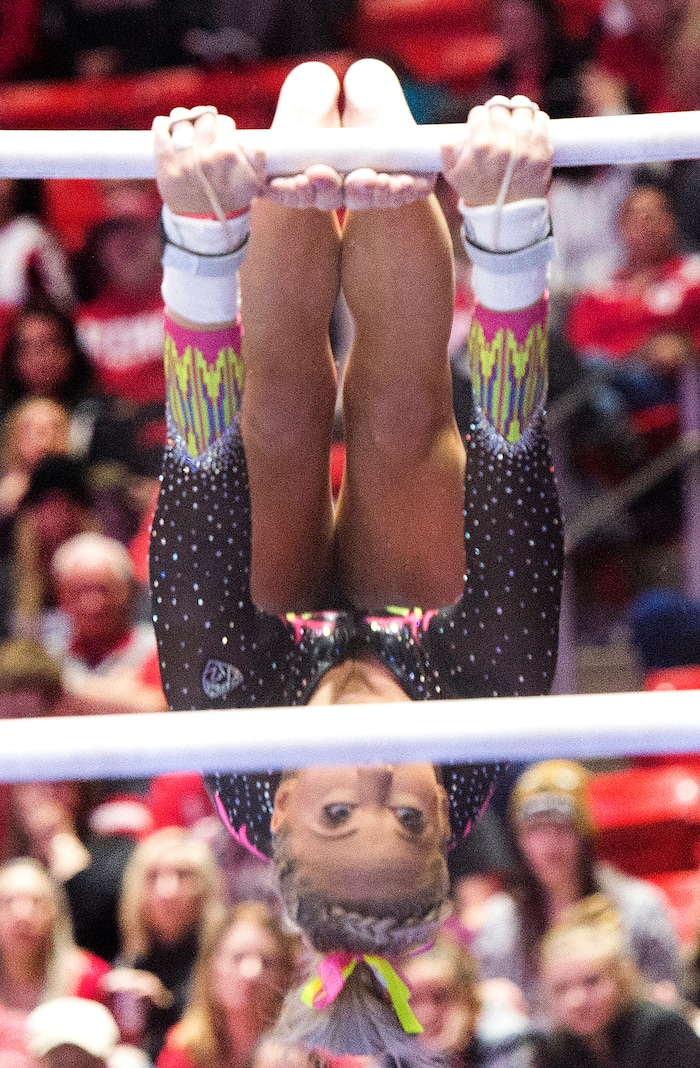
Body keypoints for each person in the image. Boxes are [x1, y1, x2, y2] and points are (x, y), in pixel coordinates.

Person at [150, 59, 562, 1059]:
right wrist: (506, 226)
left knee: (277, 419)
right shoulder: (481, 701)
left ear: (284, 801)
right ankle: (375, 168)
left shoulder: (227, 711)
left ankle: (297, 171)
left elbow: (198, 455)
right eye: (408, 814)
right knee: (401, 417)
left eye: (341, 810)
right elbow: (511, 443)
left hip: (271, 659)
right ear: (444, 810)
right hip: (416, 632)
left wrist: (200, 234)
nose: (378, 775)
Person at [471, 760, 680, 1023]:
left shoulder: (640, 906)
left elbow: (666, 999)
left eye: (561, 828)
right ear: (518, 840)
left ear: (585, 833)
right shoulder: (501, 920)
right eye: (535, 830)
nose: (549, 846)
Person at [535, 895, 700, 1068]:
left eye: (591, 981)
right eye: (561, 988)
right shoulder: (555, 1049)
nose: (577, 1000)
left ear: (621, 980)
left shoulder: (664, 1032)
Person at [108, 827, 225, 1060]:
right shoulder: (130, 961)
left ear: (206, 887)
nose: (168, 890)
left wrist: (163, 1001)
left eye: (183, 875)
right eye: (153, 877)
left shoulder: (223, 959)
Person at [156, 902, 300, 1068]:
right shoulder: (183, 1049)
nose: (252, 972)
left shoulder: (306, 1050)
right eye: (238, 957)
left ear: (286, 975)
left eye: (267, 962)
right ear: (211, 969)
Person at [47, 532, 165, 713]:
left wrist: (73, 696)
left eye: (102, 590)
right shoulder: (49, 656)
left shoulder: (155, 649)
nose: (91, 603)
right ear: (61, 597)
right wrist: (121, 695)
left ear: (126, 592)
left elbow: (159, 705)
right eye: (78, 591)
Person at [402, 935, 534, 1068]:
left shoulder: (508, 1042)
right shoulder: (395, 1055)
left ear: (470, 1001)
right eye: (412, 1001)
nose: (426, 1014)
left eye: (440, 997)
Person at [0, 858, 111, 1014]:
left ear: (55, 912)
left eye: (37, 901)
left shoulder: (91, 978)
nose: (22, 915)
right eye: (7, 901)